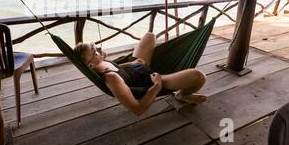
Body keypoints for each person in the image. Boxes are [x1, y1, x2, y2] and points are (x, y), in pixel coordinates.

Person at [74, 32, 207, 115]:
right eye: (94, 51)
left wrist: (130, 64)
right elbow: (137, 109)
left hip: (137, 68)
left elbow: (116, 68)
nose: (98, 48)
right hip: (150, 80)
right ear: (91, 65)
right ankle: (182, 95)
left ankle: (180, 92)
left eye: (94, 45)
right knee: (199, 77)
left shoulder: (100, 63)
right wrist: (157, 86)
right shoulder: (111, 78)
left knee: (150, 36)